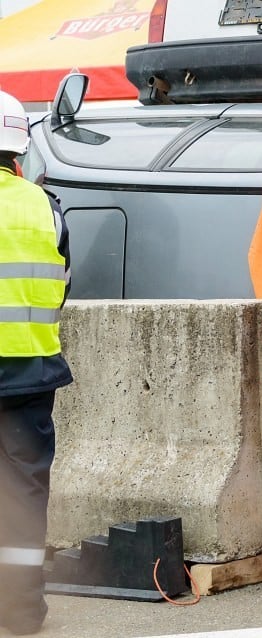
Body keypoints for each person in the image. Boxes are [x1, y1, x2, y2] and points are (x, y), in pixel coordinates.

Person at [0, 90, 72, 636]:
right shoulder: (44, 205)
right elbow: (61, 283)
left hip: (27, 370)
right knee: (23, 496)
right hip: (29, 370)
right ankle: (21, 614)